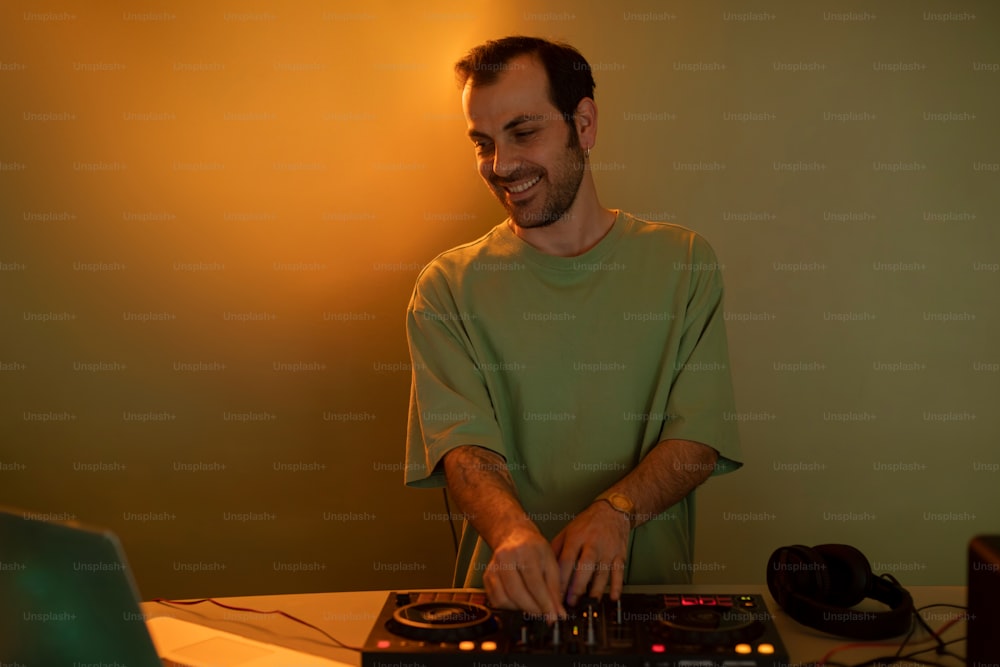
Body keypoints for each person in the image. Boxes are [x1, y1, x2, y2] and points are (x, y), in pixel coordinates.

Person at [403, 36, 742, 620]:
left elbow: (699, 440)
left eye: (523, 132)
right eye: (483, 143)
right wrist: (510, 533)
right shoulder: (445, 287)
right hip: (504, 608)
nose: (501, 165)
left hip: (648, 608)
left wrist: (617, 511)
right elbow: (463, 451)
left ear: (584, 124)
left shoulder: (684, 263)